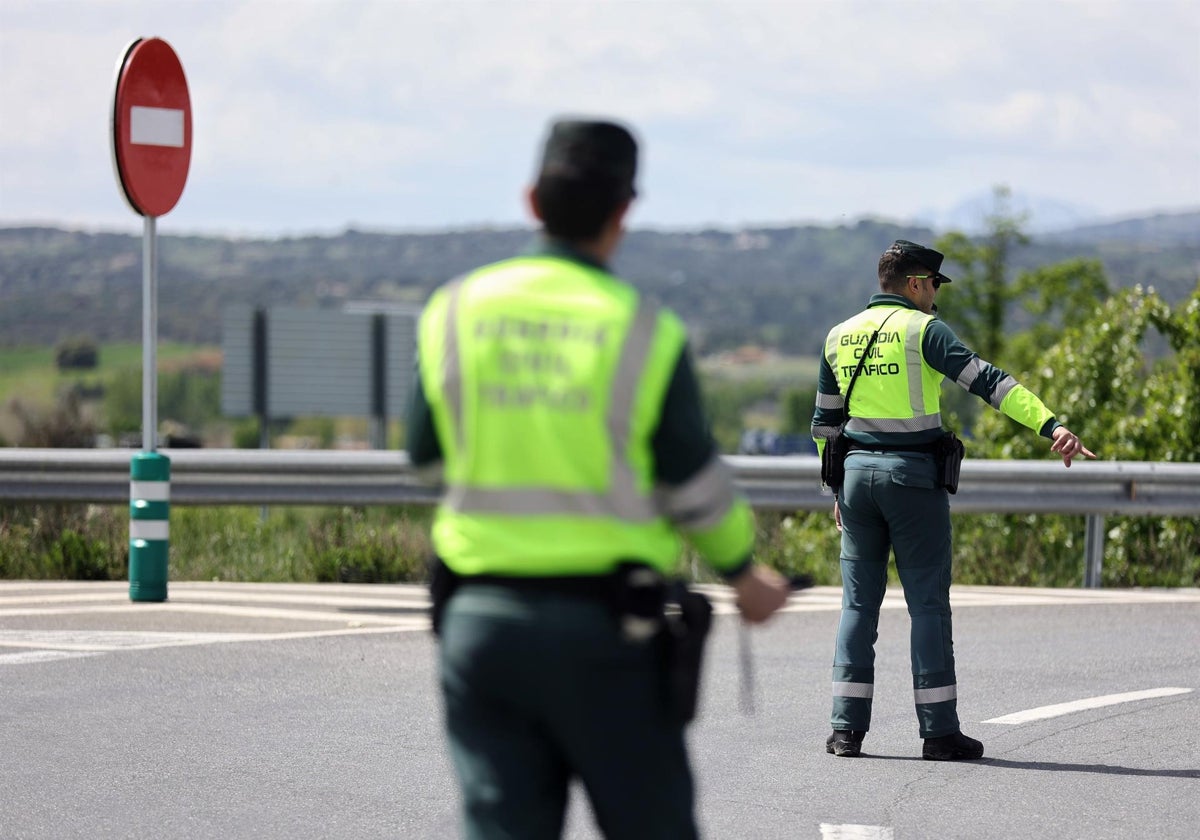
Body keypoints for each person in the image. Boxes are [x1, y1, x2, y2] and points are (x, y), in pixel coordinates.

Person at [407, 117, 791, 839]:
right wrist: (743, 573)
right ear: (624, 211)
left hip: (480, 628)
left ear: (531, 201)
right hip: (606, 636)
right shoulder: (643, 329)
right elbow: (694, 484)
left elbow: (425, 459)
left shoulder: (455, 309)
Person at [810, 239, 1095, 761]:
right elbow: (989, 382)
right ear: (916, 283)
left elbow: (825, 427)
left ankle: (845, 730)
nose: (935, 298)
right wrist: (1050, 425)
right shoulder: (924, 331)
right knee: (928, 608)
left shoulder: (838, 336)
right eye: (934, 286)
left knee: (856, 606)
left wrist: (835, 492)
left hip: (854, 480)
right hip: (912, 481)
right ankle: (938, 733)